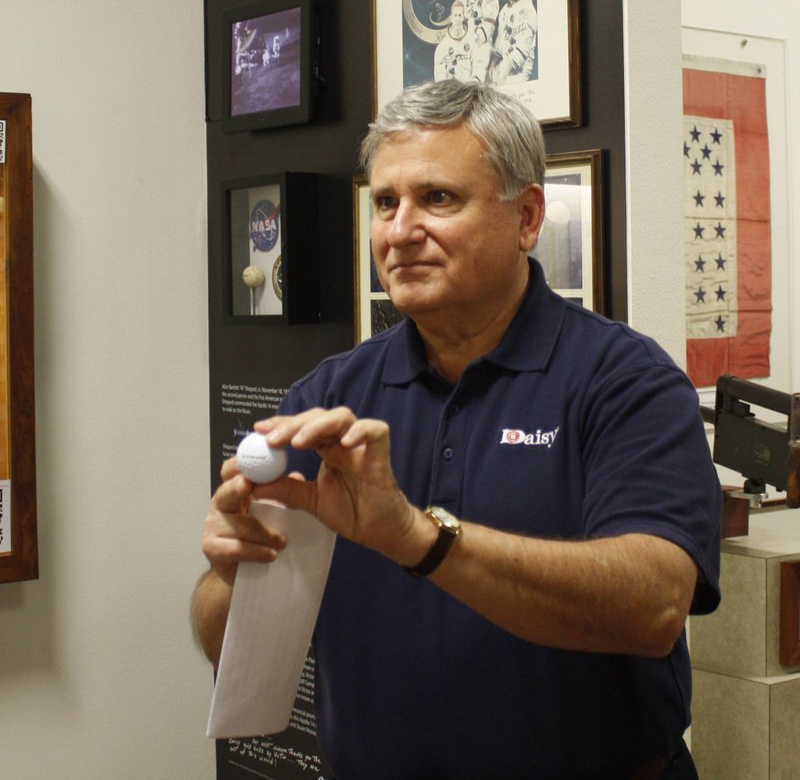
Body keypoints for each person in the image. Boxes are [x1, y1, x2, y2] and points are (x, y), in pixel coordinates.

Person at [193, 80, 721, 780]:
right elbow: (222, 640)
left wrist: (416, 536)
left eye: (438, 198)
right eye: (386, 202)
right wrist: (232, 570)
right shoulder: (330, 398)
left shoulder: (623, 380)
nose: (400, 231)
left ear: (527, 217)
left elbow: (655, 605)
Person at [488, 0, 538, 84]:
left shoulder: (528, 10)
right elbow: (500, 42)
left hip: (520, 72)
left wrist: (504, 74)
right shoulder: (504, 11)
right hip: (504, 66)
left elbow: (523, 50)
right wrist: (492, 64)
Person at [457, 0, 499, 79]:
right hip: (467, 40)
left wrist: (476, 39)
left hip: (482, 43)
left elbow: (489, 24)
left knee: (477, 74)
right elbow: (460, 18)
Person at [433, 0, 476, 82]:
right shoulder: (442, 47)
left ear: (463, 17)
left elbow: (478, 67)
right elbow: (439, 76)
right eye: (455, 15)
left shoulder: (472, 42)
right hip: (450, 91)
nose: (457, 19)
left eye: (460, 15)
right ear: (451, 18)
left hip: (468, 90)